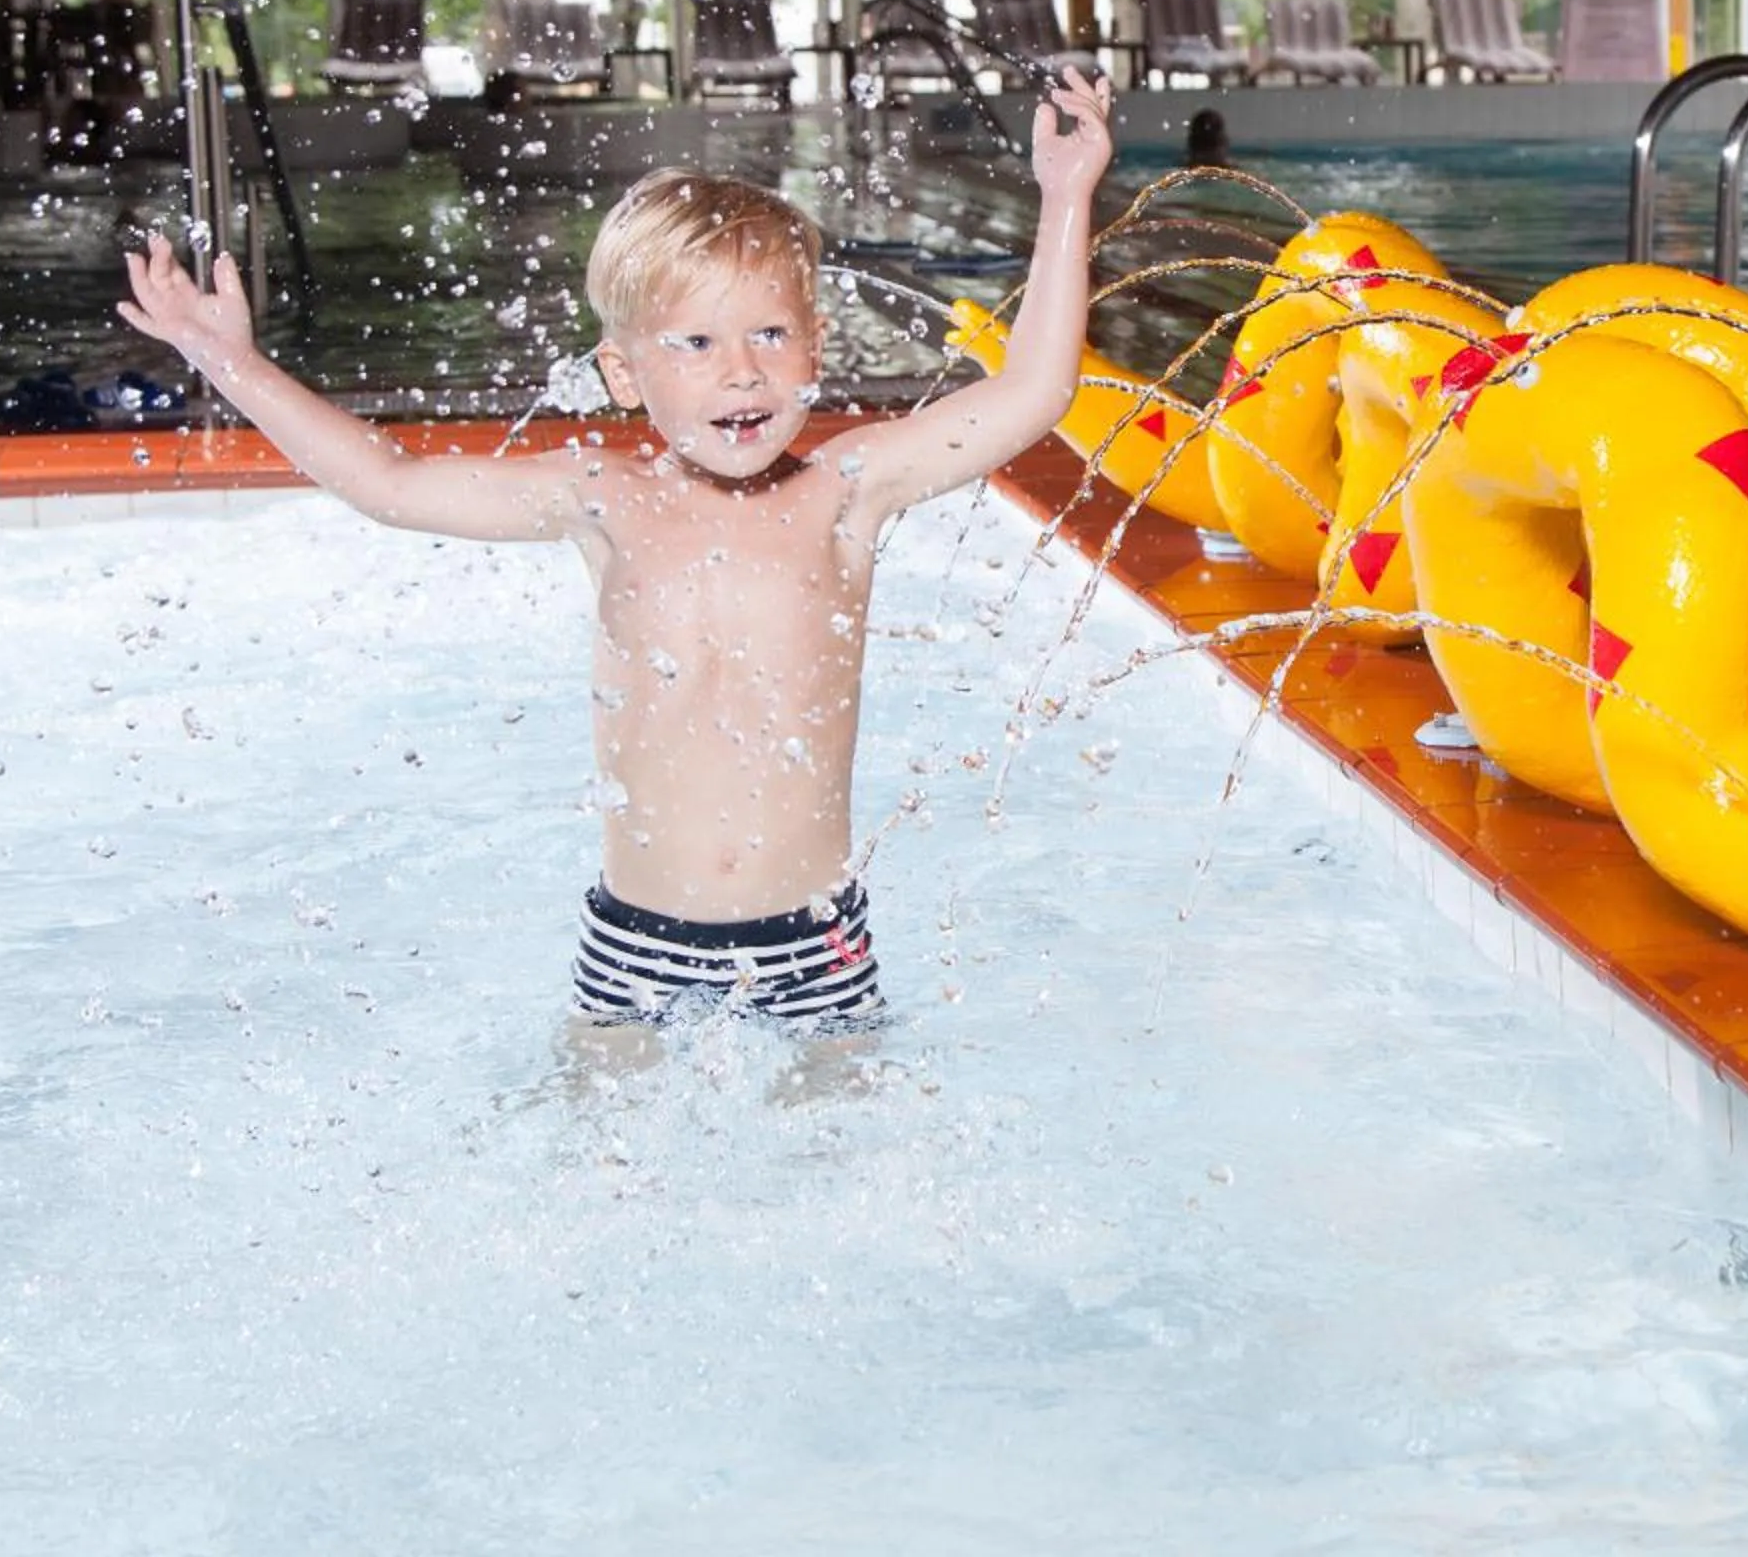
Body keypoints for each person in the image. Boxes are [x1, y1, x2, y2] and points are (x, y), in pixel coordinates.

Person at [120, 70, 1118, 1036]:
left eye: (771, 332)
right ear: (624, 372)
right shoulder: (604, 497)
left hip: (817, 946)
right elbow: (391, 482)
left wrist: (1065, 196)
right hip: (636, 945)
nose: (741, 370)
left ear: (818, 347)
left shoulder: (847, 493)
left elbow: (1034, 391)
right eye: (694, 344)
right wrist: (231, 362)